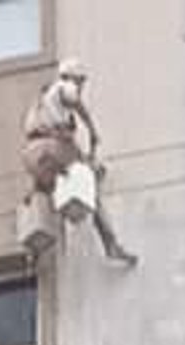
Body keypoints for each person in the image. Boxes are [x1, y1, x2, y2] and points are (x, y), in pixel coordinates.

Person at [19, 60, 137, 267]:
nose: (81, 87)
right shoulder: (63, 86)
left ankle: (32, 249)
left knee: (42, 193)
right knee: (89, 183)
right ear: (73, 77)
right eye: (81, 82)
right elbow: (74, 100)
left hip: (32, 156)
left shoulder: (39, 104)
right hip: (52, 148)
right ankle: (111, 244)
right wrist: (92, 129)